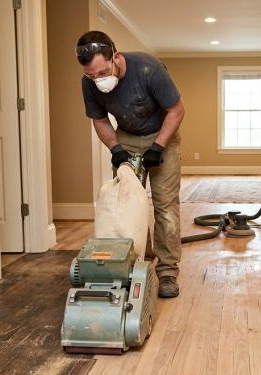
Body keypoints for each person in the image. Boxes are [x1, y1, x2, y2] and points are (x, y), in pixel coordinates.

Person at [76, 31, 185, 298]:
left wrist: (158, 146)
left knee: (165, 205)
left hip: (163, 135)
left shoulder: (149, 69)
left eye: (103, 72)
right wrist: (115, 149)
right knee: (126, 204)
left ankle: (168, 271)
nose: (98, 80)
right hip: (126, 136)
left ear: (116, 56)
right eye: (92, 76)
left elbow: (177, 110)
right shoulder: (88, 83)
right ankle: (138, 263)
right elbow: (100, 120)